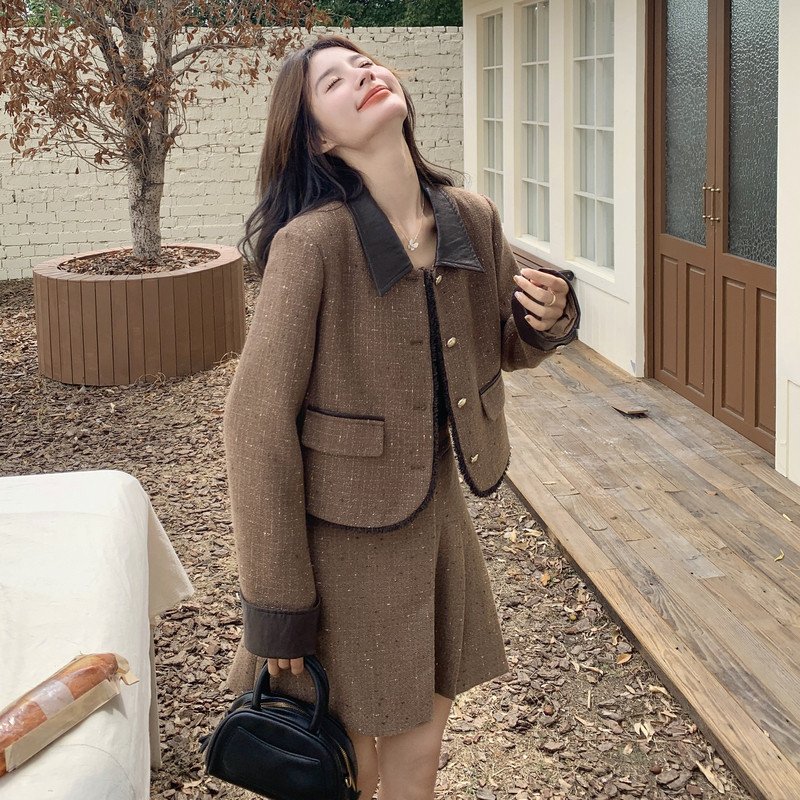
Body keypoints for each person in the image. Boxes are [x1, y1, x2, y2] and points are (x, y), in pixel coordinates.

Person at [223, 33, 579, 800]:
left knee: (418, 768)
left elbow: (506, 343)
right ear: (317, 137)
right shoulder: (311, 245)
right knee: (351, 772)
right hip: (339, 551)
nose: (363, 76)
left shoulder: (471, 217)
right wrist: (277, 603)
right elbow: (254, 427)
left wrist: (549, 318)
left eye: (365, 64)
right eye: (333, 81)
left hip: (441, 523)